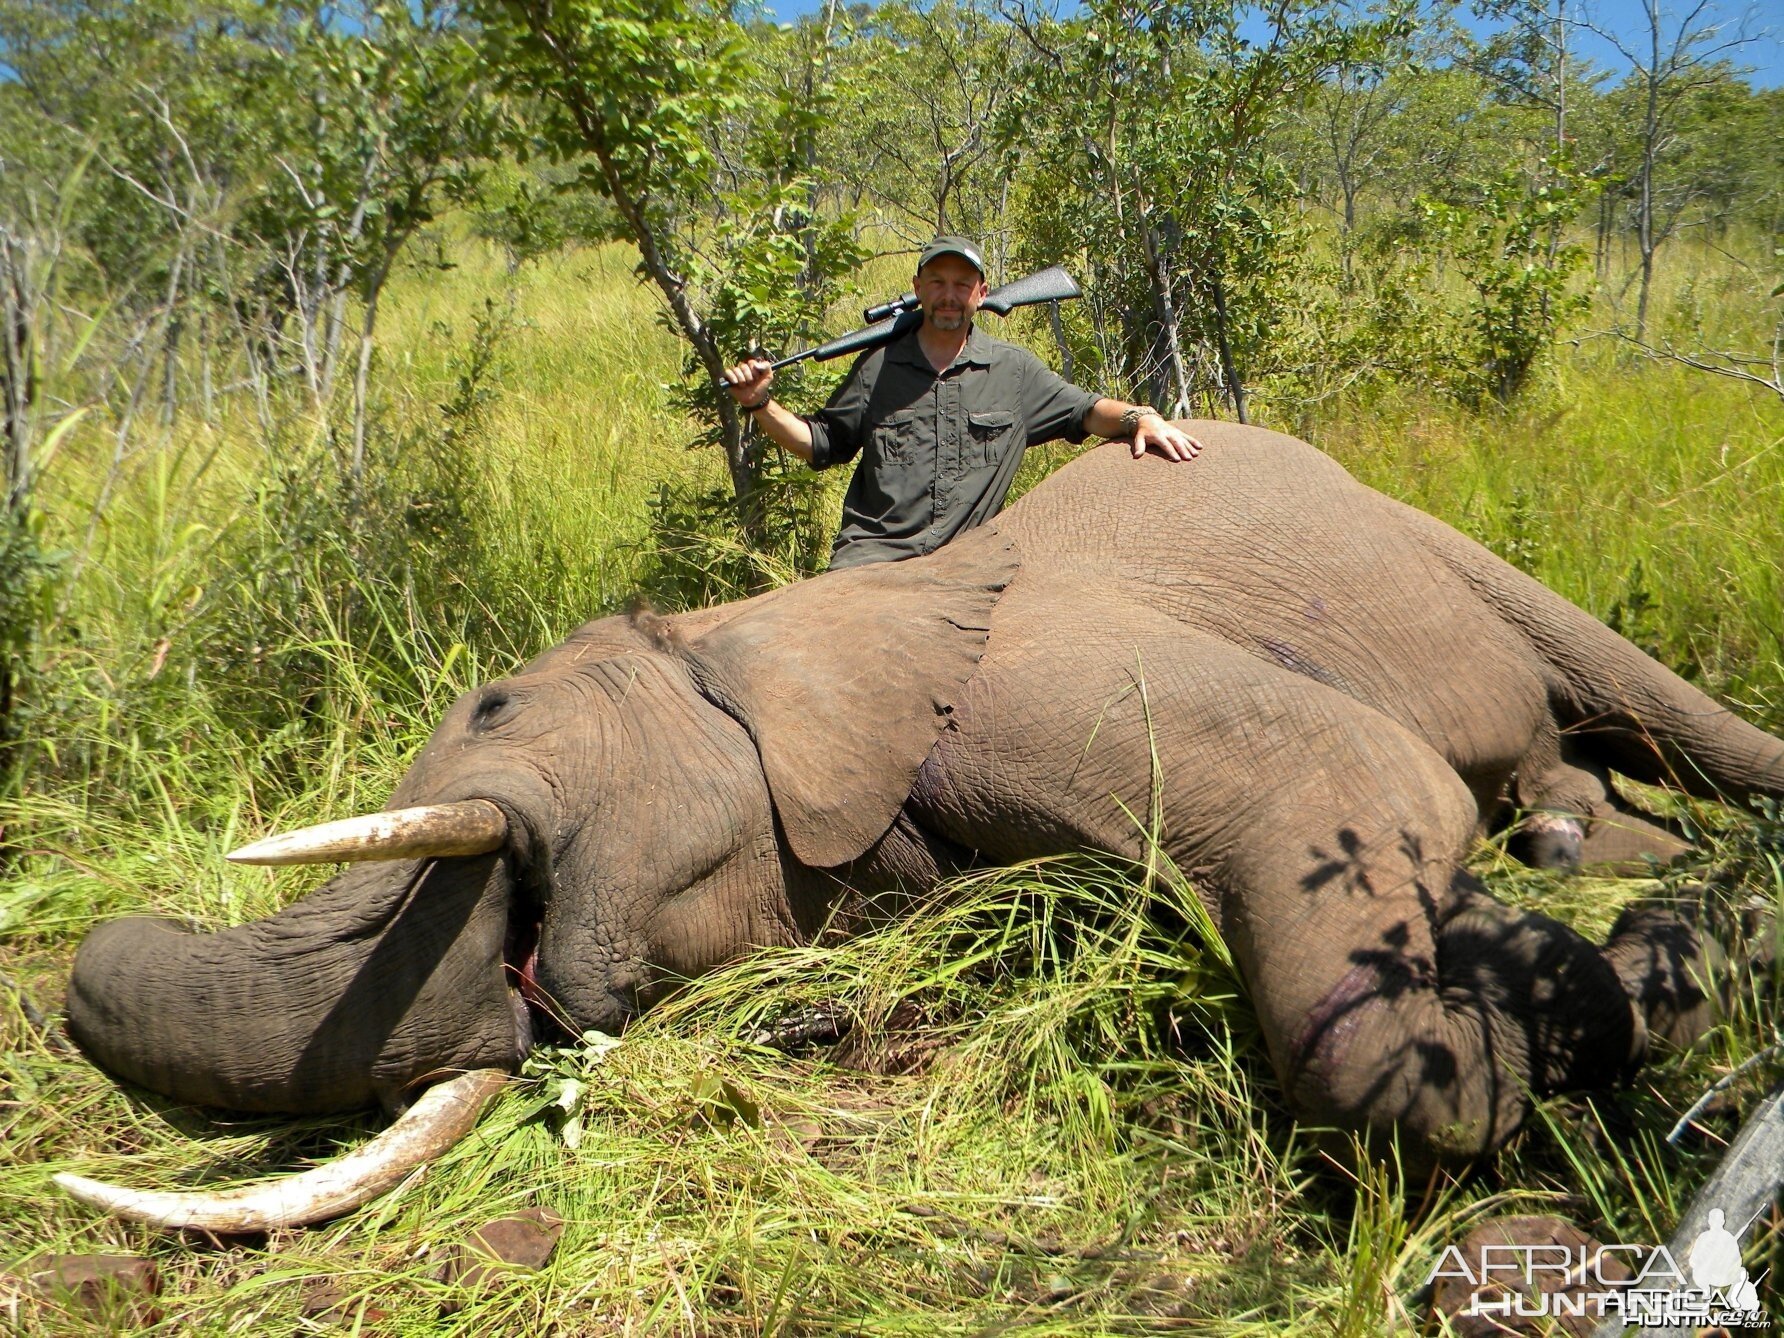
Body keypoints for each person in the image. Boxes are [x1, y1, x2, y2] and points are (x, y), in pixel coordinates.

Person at [721, 235, 1206, 571]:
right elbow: (821, 444)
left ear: (982, 293)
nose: (948, 295)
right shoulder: (878, 366)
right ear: (917, 290)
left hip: (966, 568)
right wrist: (761, 405)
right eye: (936, 282)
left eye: (961, 284)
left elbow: (1085, 410)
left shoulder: (1013, 370)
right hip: (871, 562)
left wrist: (1142, 418)